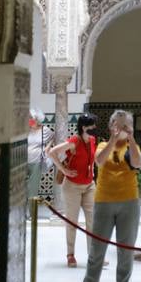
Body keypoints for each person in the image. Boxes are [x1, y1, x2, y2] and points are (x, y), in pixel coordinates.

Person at [66, 110, 141, 282]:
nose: (121, 129)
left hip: (129, 202)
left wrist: (131, 138)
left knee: (125, 250)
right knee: (97, 251)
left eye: (125, 125)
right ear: (110, 127)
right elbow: (99, 161)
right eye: (117, 125)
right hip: (104, 202)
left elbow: (137, 162)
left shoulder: (132, 146)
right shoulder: (101, 145)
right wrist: (113, 139)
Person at [48, 115, 98, 268]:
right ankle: (70, 254)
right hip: (72, 187)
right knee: (72, 221)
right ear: (84, 127)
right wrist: (63, 169)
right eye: (92, 126)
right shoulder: (74, 141)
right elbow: (52, 152)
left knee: (93, 220)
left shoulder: (92, 140)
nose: (95, 128)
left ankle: (93, 255)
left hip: (89, 185)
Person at [26, 109, 53, 212]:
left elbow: (53, 137)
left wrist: (47, 148)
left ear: (37, 119)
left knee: (32, 189)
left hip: (36, 162)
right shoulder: (25, 130)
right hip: (23, 162)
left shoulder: (44, 130)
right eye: (28, 118)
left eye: (31, 118)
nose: (30, 121)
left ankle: (31, 213)